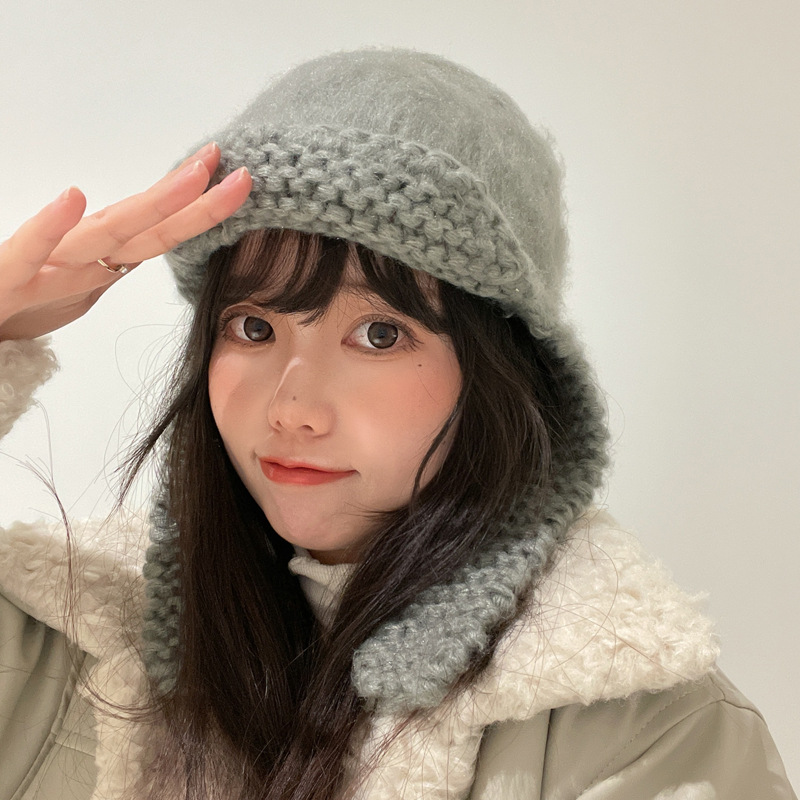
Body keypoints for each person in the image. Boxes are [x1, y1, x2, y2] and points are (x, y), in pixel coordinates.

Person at [0, 48, 794, 800]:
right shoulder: (68, 634)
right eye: (253, 326)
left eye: (379, 334)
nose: (292, 410)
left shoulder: (636, 724)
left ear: (500, 371)